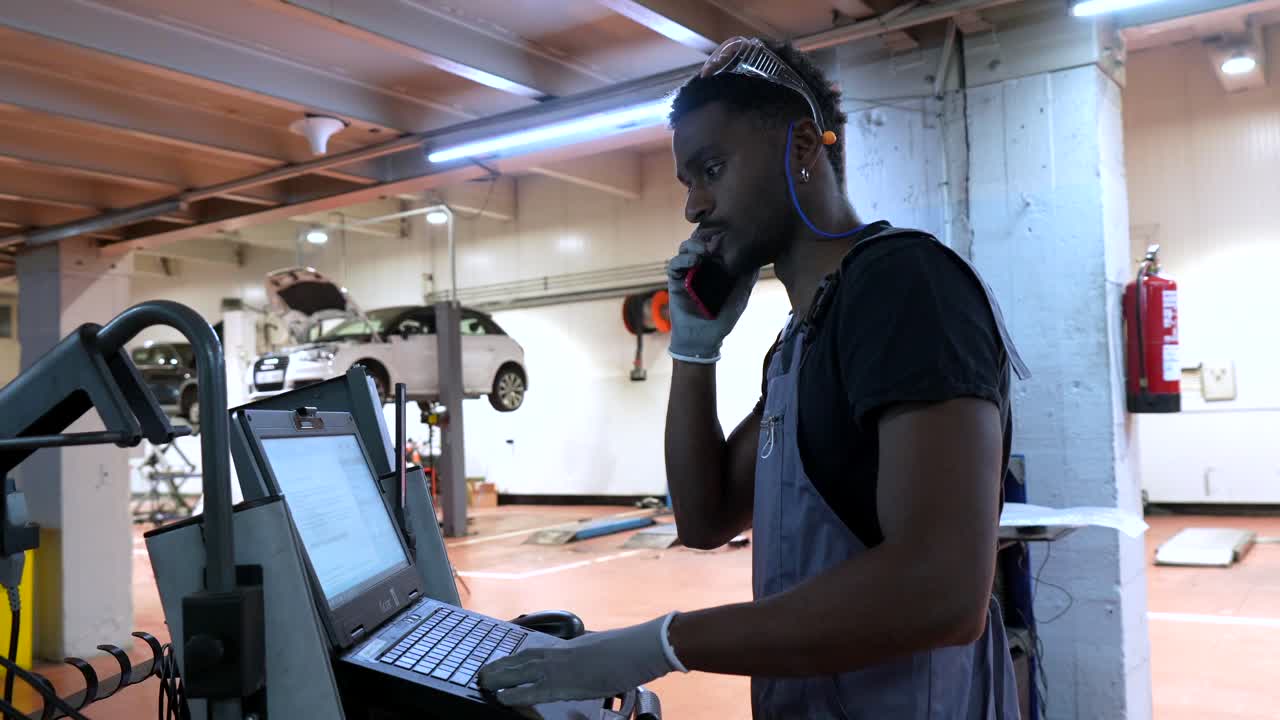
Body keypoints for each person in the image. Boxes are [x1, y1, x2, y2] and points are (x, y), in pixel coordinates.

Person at [479, 36, 1028, 719]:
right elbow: (705, 519)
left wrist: (665, 643)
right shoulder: (801, 336)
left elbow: (941, 592)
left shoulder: (905, 286)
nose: (693, 206)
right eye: (687, 181)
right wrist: (693, 350)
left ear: (801, 147)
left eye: (711, 169)